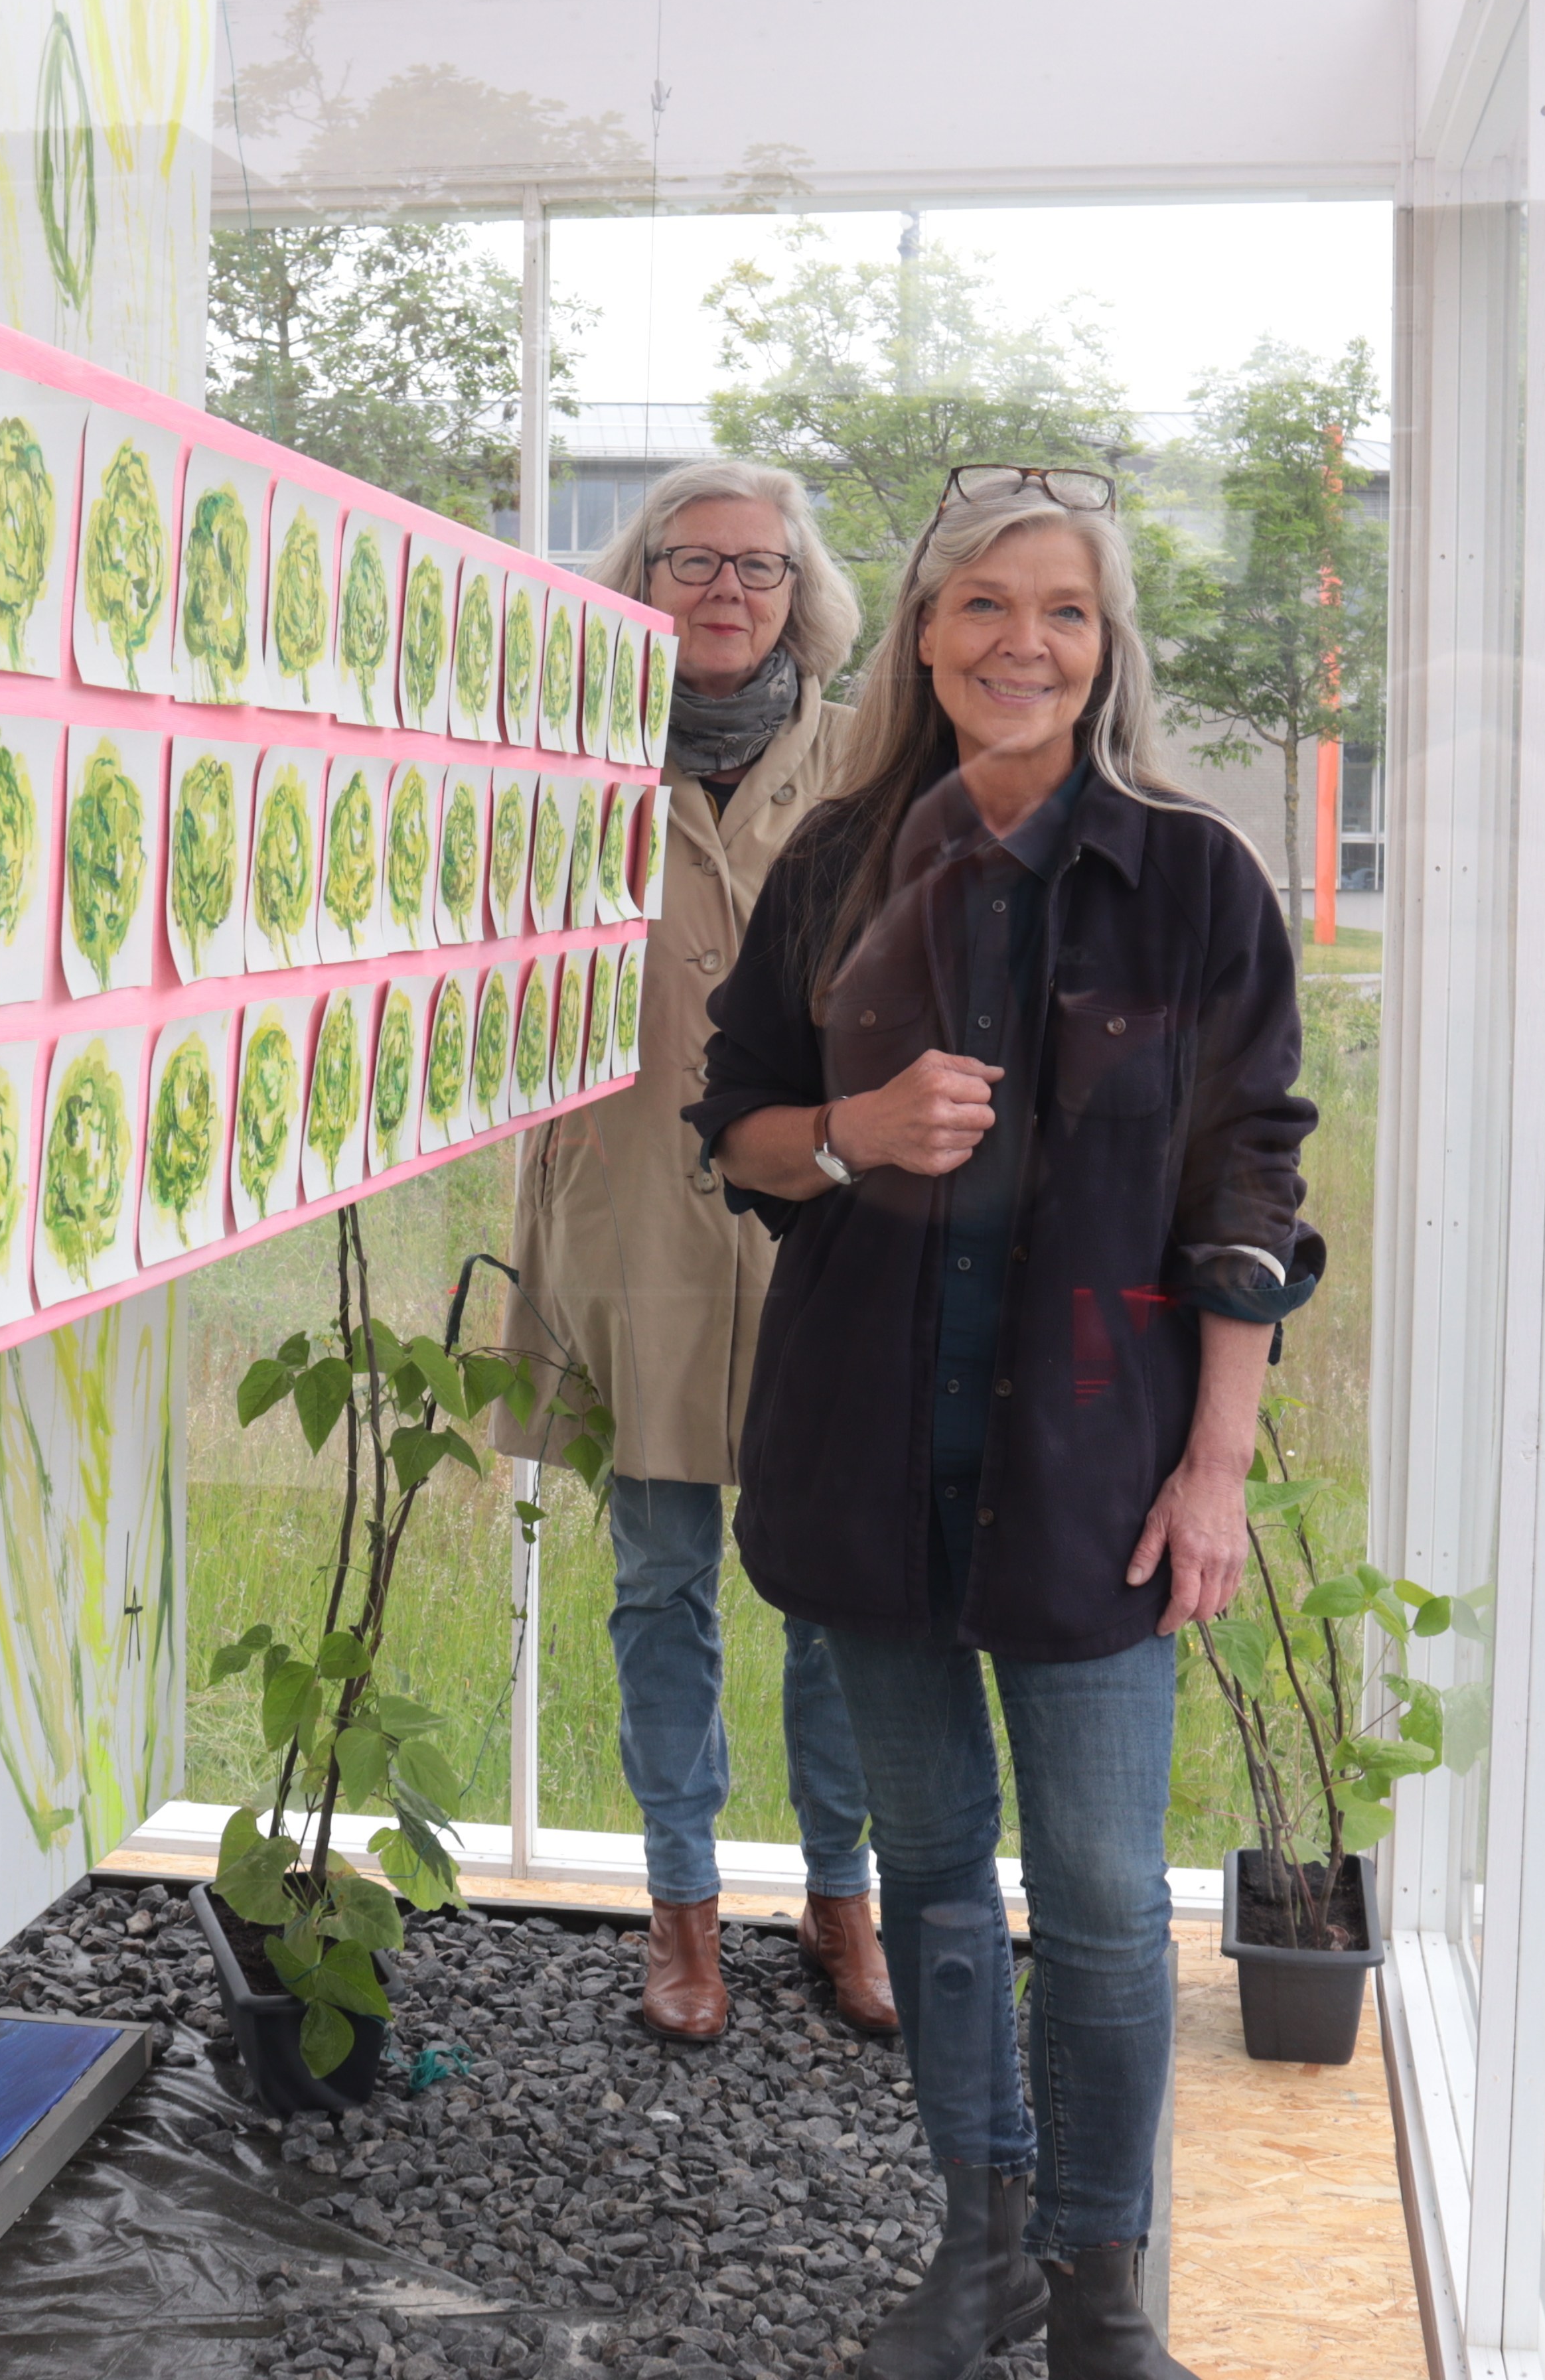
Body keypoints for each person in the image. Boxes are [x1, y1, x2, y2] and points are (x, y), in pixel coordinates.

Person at [688, 466, 1319, 2380]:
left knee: (1116, 1901)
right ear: (921, 636)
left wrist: (1215, 1467)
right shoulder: (830, 865)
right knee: (940, 1868)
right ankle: (977, 2247)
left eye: (1059, 610)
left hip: (1096, 1478)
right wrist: (851, 1139)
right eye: (979, 606)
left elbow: (1250, 1189)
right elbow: (736, 1126)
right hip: (867, 1455)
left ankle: (1101, 2290)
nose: (1018, 643)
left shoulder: (1194, 876)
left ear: (1104, 646)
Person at [498, 458, 897, 2044]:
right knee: (661, 1574)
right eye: (693, 563)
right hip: (630, 1210)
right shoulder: (562, 752)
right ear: (639, 578)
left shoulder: (876, 760)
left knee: (832, 1585)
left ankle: (840, 1894)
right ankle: (681, 1908)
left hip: (830, 1214)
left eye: (759, 566)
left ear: (804, 591)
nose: (726, 592)